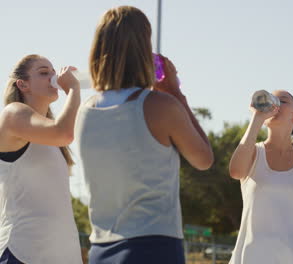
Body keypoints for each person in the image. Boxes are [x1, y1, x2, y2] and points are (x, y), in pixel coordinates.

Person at [75, 6, 214, 263]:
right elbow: (204, 158)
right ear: (143, 49)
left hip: (101, 249)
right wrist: (176, 93)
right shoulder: (160, 106)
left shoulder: (84, 111)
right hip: (153, 246)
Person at [229, 90, 293, 264]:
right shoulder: (253, 152)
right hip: (253, 257)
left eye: (282, 101)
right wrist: (257, 118)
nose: (274, 104)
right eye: (271, 99)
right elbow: (235, 171)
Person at [0, 54, 82, 263]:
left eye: (54, 73)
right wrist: (73, 89)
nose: (53, 77)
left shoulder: (52, 139)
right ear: (23, 84)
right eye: (44, 73)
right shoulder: (12, 114)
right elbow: (64, 132)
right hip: (23, 254)